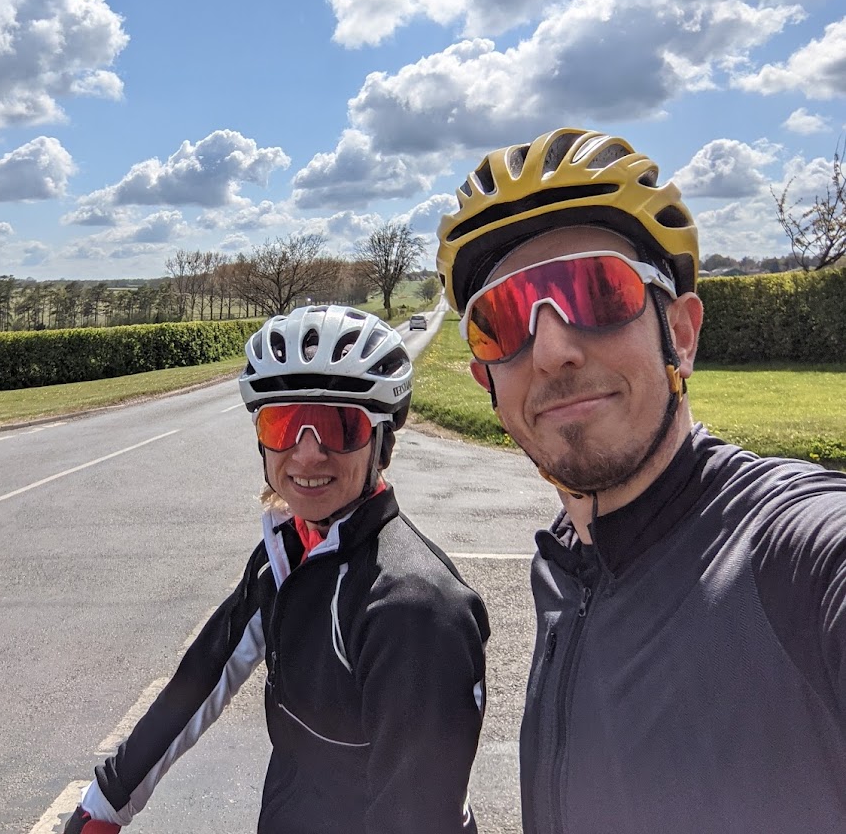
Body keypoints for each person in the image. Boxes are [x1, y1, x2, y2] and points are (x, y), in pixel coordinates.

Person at [435, 127, 846, 834]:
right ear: (486, 379)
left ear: (680, 334)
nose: (555, 349)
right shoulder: (564, 563)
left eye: (597, 291)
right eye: (503, 321)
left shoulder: (790, 552)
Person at [64, 304, 490, 834]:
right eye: (284, 422)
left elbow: (417, 812)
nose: (307, 455)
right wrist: (106, 802)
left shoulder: (415, 607)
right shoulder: (287, 553)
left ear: (381, 442)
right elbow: (205, 671)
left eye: (340, 425)